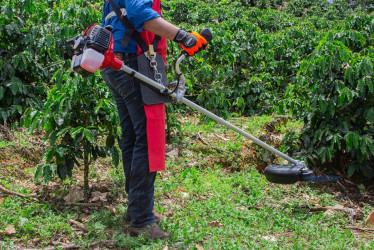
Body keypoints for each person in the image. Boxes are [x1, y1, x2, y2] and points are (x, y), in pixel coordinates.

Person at [100, 0, 208, 239]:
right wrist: (184, 37)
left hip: (114, 65)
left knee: (132, 139)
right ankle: (142, 220)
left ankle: (137, 209)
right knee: (147, 140)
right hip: (132, 64)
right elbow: (141, 14)